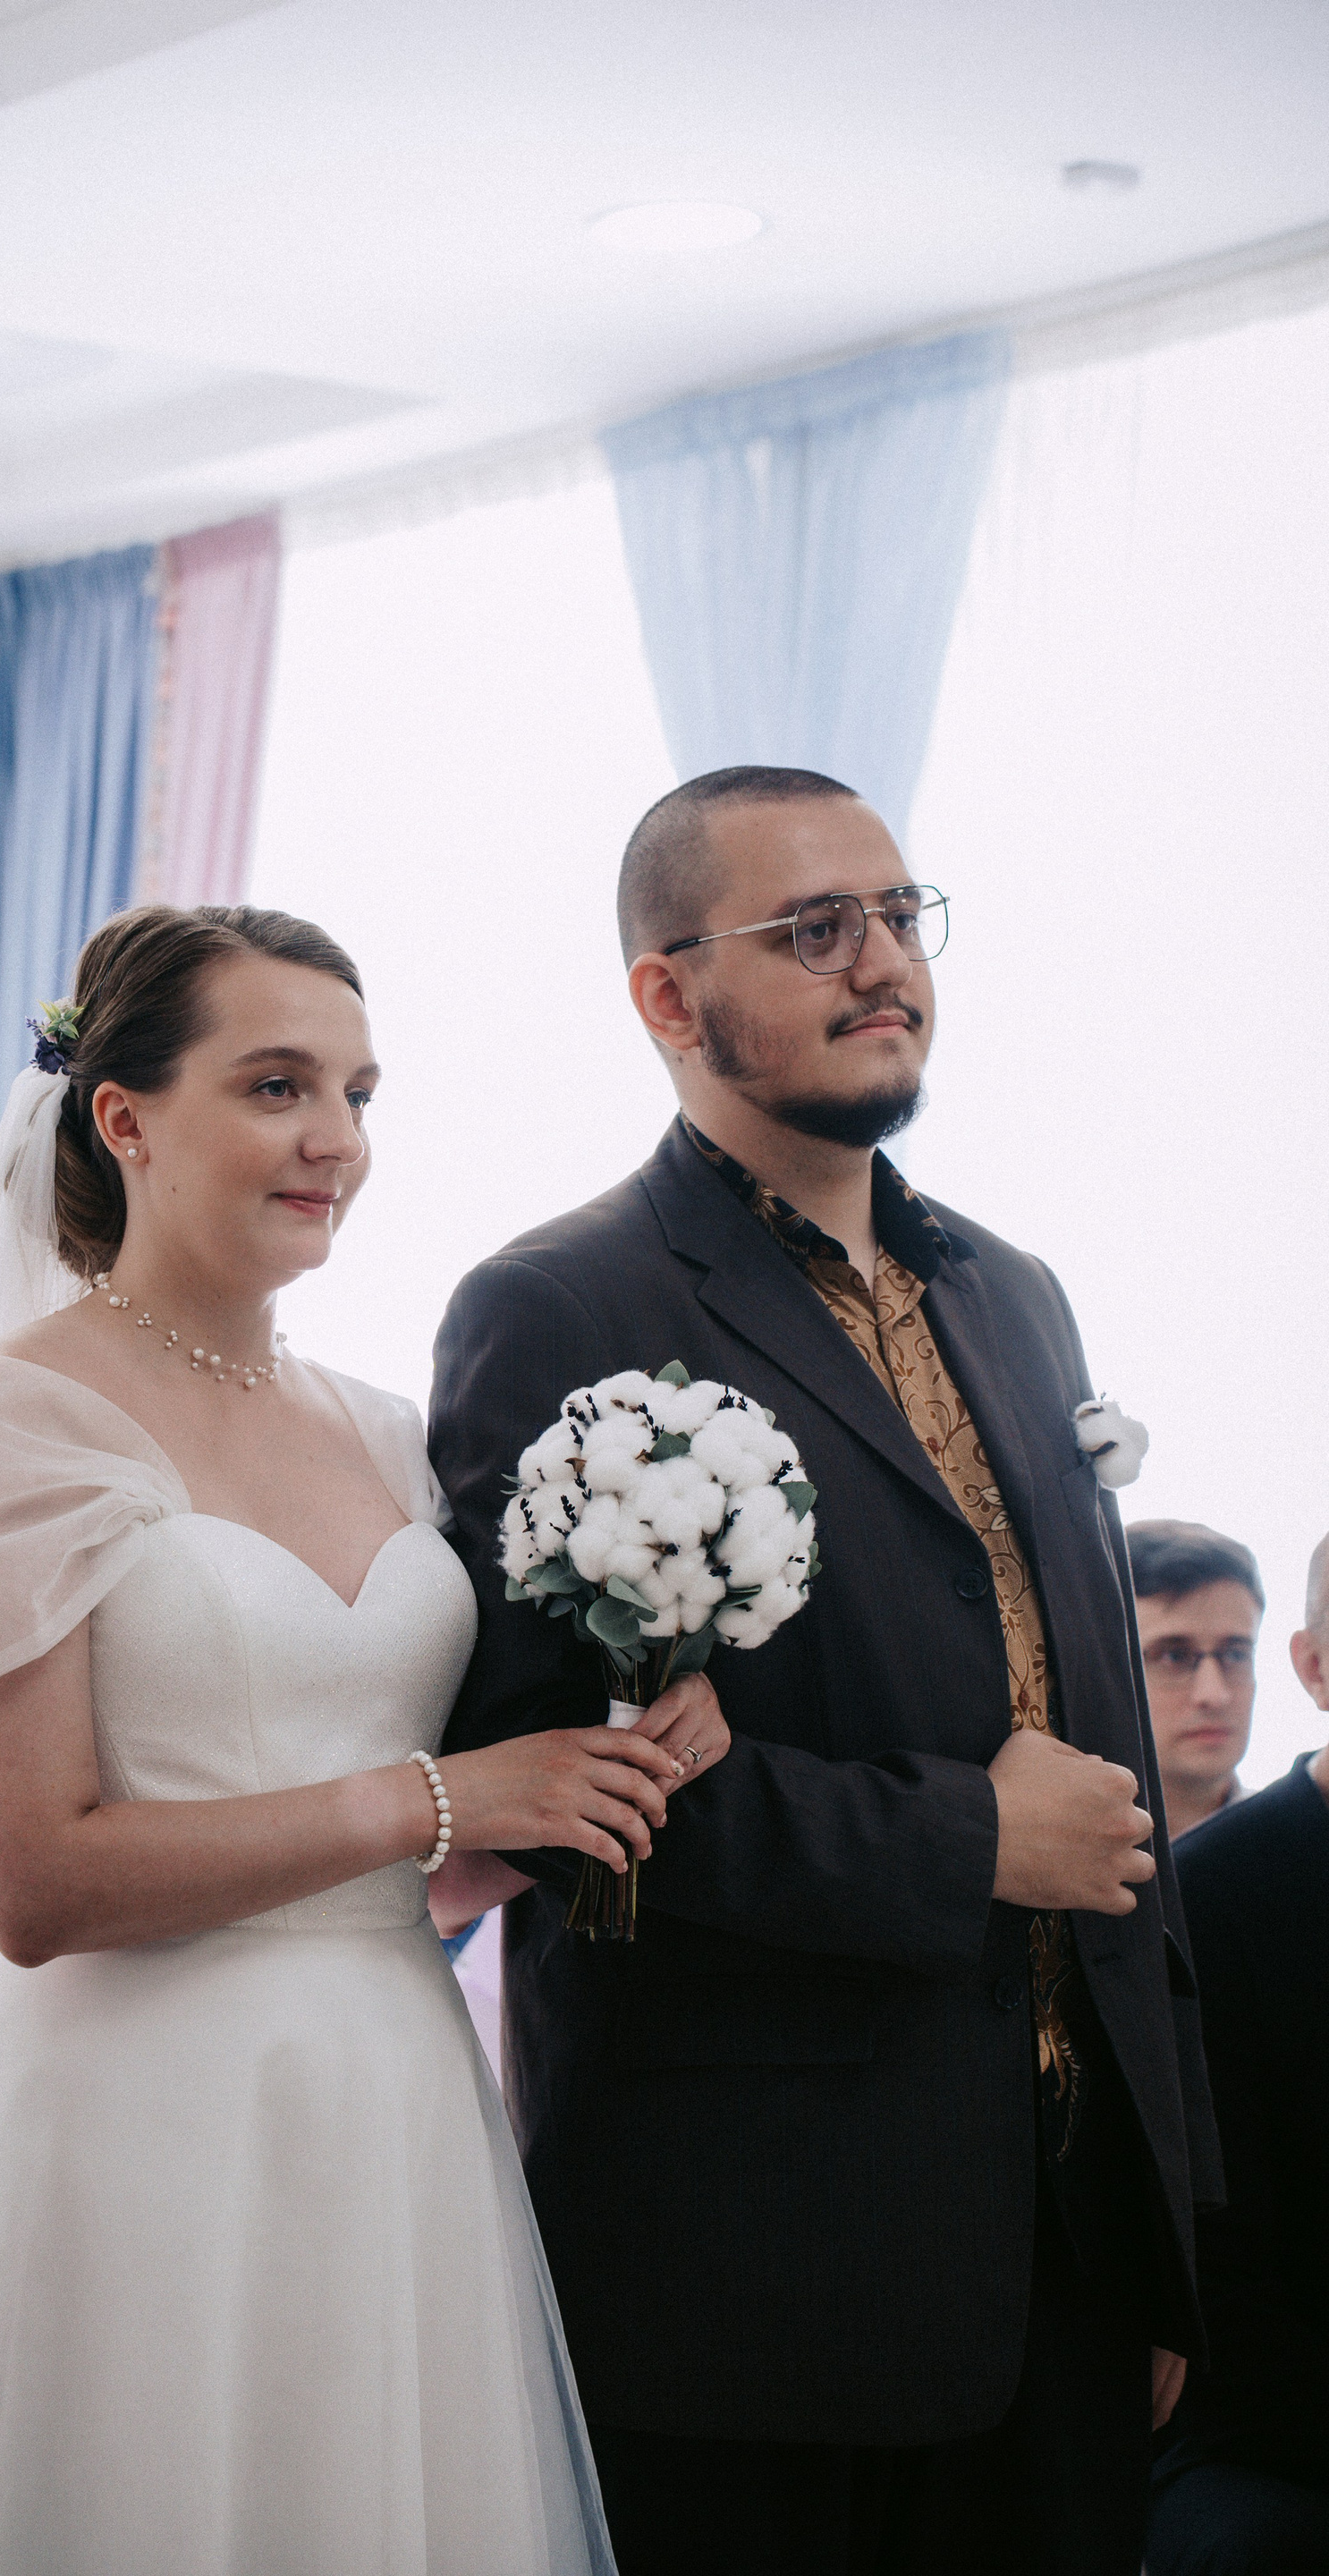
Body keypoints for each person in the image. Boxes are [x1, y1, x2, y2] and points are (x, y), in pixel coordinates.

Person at [0, 904, 733, 2576]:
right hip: (140, 2120)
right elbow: (31, 1885)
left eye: (358, 1092)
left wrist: (586, 1785)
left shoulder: (386, 1435)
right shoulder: (18, 1419)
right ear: (124, 1118)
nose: (336, 1139)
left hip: (392, 2103)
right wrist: (436, 1797)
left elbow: (425, 1872)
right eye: (276, 1087)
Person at [430, 768, 1222, 2576]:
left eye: (899, 914)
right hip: (763, 2268)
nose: (883, 964)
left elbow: (1107, 1750)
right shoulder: (560, 1307)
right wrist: (970, 1841)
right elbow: (542, 1787)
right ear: (666, 993)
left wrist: (1166, 2218)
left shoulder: (1014, 1292)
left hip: (1072, 2238)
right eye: (814, 929)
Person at [1147, 1535, 1329, 2574]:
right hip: (1264, 2443)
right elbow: (1220, 2283)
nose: (1211, 1689)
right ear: (1316, 1667)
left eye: (1230, 1653)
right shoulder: (1205, 1899)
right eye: (1174, 1654)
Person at [1128, 1521, 1263, 1838]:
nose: (1214, 1695)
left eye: (1235, 1655)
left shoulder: (1309, 1847)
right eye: (1173, 1656)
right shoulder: (1042, 1860)